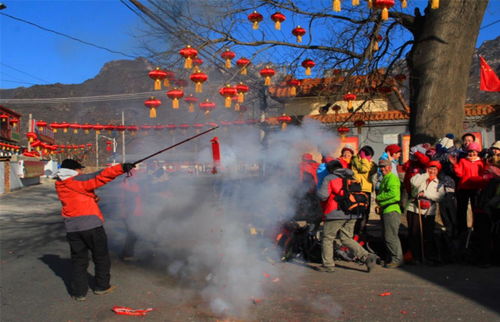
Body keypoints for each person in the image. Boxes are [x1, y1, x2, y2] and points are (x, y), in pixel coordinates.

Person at [54, 159, 135, 301]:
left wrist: (92, 197)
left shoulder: (60, 183)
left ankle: (79, 293)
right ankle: (102, 286)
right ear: (74, 170)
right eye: (80, 169)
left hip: (72, 227)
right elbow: (101, 176)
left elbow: (78, 195)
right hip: (91, 225)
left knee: (79, 260)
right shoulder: (78, 180)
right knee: (101, 256)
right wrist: (121, 167)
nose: (82, 171)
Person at [316, 160, 378, 273]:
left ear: (330, 169)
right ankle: (367, 257)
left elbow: (323, 196)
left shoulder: (329, 178)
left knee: (327, 238)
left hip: (335, 212)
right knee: (346, 238)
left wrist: (318, 190)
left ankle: (328, 265)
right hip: (353, 212)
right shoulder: (352, 176)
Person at [406, 161, 446, 264]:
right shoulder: (420, 177)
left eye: (435, 169)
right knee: (414, 234)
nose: (432, 171)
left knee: (427, 234)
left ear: (438, 171)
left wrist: (426, 194)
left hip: (429, 211)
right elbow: (413, 183)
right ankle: (415, 256)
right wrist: (426, 175)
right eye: (430, 168)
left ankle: (427, 256)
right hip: (414, 209)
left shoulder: (439, 183)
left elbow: (439, 196)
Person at [449, 141, 485, 237]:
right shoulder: (463, 161)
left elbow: (483, 175)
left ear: (478, 152)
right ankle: (462, 229)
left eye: (474, 151)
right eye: (470, 151)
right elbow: (459, 174)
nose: (472, 153)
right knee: (461, 209)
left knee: (476, 210)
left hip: (476, 188)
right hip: (464, 187)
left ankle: (477, 229)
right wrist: (455, 165)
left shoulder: (481, 162)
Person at [376, 159, 403, 268]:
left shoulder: (392, 178)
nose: (382, 169)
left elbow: (394, 195)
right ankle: (390, 258)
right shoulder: (385, 179)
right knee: (387, 236)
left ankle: (397, 259)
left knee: (391, 236)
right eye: (381, 167)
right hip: (386, 209)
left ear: (390, 167)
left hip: (391, 210)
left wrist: (379, 198)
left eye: (384, 166)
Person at [350, 145, 377, 237]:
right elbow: (364, 169)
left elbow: (373, 170)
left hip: (367, 189)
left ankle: (363, 231)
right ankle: (356, 232)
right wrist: (364, 159)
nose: (369, 158)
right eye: (368, 155)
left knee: (366, 212)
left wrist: (369, 162)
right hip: (359, 189)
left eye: (370, 156)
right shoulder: (356, 159)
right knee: (359, 211)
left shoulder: (367, 162)